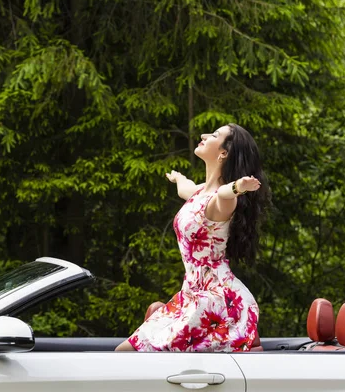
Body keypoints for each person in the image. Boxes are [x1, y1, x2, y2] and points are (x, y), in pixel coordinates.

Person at [115, 123, 270, 352]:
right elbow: (185, 189)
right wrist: (178, 179)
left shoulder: (222, 201)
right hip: (190, 294)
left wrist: (239, 186)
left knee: (129, 354)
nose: (204, 136)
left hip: (214, 299)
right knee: (125, 352)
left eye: (215, 135)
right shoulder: (199, 193)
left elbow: (226, 193)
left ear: (223, 153)